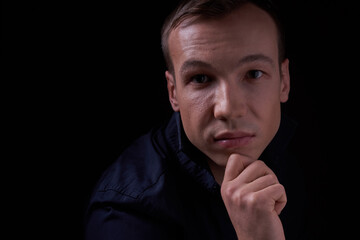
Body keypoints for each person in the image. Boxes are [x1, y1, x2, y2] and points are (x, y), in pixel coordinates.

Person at [84, 0, 309, 239]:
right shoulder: (126, 216)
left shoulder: (287, 157)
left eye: (253, 74)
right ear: (173, 92)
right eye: (201, 78)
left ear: (284, 82)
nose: (228, 109)